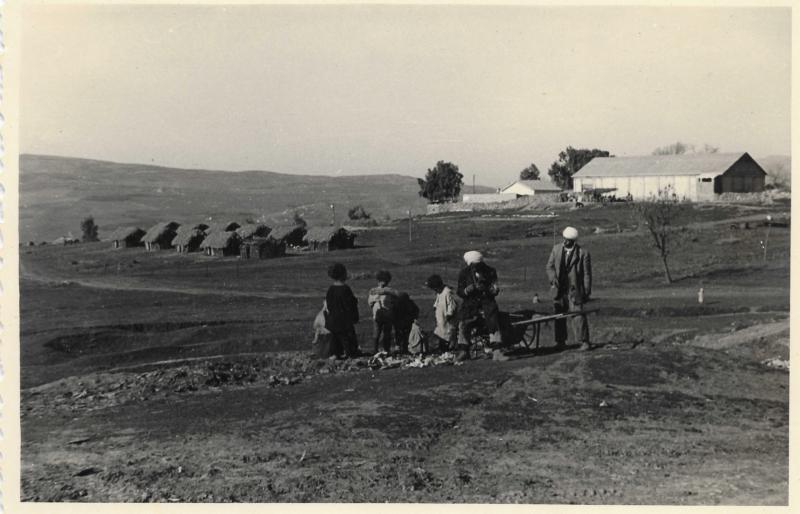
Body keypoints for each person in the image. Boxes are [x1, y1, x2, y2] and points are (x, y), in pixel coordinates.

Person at [546, 226, 592, 350]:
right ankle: (560, 342)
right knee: (559, 315)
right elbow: (549, 266)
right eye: (564, 239)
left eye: (568, 240)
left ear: (573, 241)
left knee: (578, 314)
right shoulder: (556, 249)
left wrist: (586, 291)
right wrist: (553, 278)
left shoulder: (582, 253)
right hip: (559, 290)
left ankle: (584, 341)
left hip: (574, 290)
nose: (565, 242)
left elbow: (587, 274)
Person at [456, 251, 503, 360]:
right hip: (470, 304)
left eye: (478, 265)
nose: (476, 267)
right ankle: (464, 350)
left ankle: (497, 351)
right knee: (463, 322)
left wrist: (493, 290)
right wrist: (467, 290)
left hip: (487, 302)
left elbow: (495, 288)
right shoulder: (464, 273)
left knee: (493, 321)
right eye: (473, 265)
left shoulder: (490, 271)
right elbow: (460, 291)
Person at [324, 263, 360, 358]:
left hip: (333, 319)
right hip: (344, 320)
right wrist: (354, 316)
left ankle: (335, 354)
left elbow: (328, 304)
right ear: (343, 274)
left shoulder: (331, 289)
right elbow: (350, 304)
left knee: (335, 338)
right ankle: (350, 353)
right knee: (348, 338)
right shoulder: (345, 289)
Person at [424, 274, 459, 353]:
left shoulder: (447, 293)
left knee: (447, 335)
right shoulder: (439, 293)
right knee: (440, 333)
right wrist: (435, 306)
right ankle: (443, 349)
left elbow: (452, 305)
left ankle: (448, 349)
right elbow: (437, 301)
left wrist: (449, 314)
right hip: (441, 318)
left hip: (448, 320)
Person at [367, 270, 399, 354]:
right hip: (384, 314)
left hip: (382, 315)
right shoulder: (377, 291)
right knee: (380, 333)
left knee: (382, 333)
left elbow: (370, 303)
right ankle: (379, 349)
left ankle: (383, 349)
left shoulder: (385, 291)